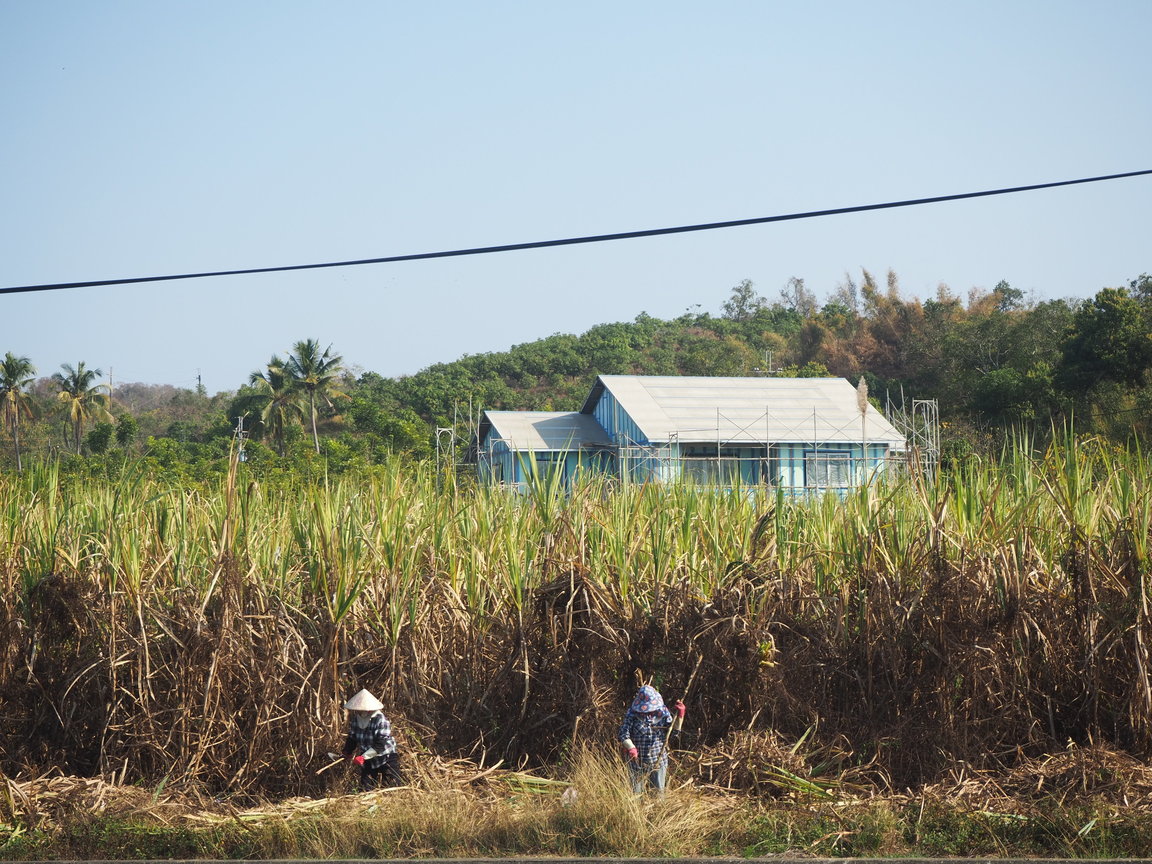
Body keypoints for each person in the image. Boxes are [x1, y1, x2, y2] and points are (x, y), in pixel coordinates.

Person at [617, 684, 685, 795]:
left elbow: (673, 734)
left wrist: (680, 717)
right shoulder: (632, 715)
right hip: (637, 762)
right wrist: (631, 747)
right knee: (635, 793)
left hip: (658, 760)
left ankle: (658, 812)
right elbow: (623, 734)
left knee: (658, 793)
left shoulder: (663, 713)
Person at [341, 688, 403, 790]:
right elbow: (352, 737)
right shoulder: (356, 720)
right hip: (368, 758)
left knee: (393, 786)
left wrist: (364, 757)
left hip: (385, 756)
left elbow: (381, 743)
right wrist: (347, 751)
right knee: (366, 787)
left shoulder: (380, 720)